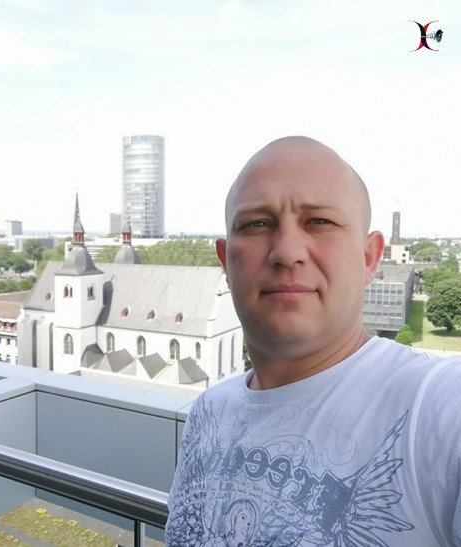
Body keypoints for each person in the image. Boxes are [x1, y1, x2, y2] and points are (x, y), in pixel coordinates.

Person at [165, 136, 461, 546]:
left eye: (319, 221)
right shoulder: (207, 413)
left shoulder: (437, 408)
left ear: (370, 257)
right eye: (257, 224)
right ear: (225, 261)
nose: (287, 251)